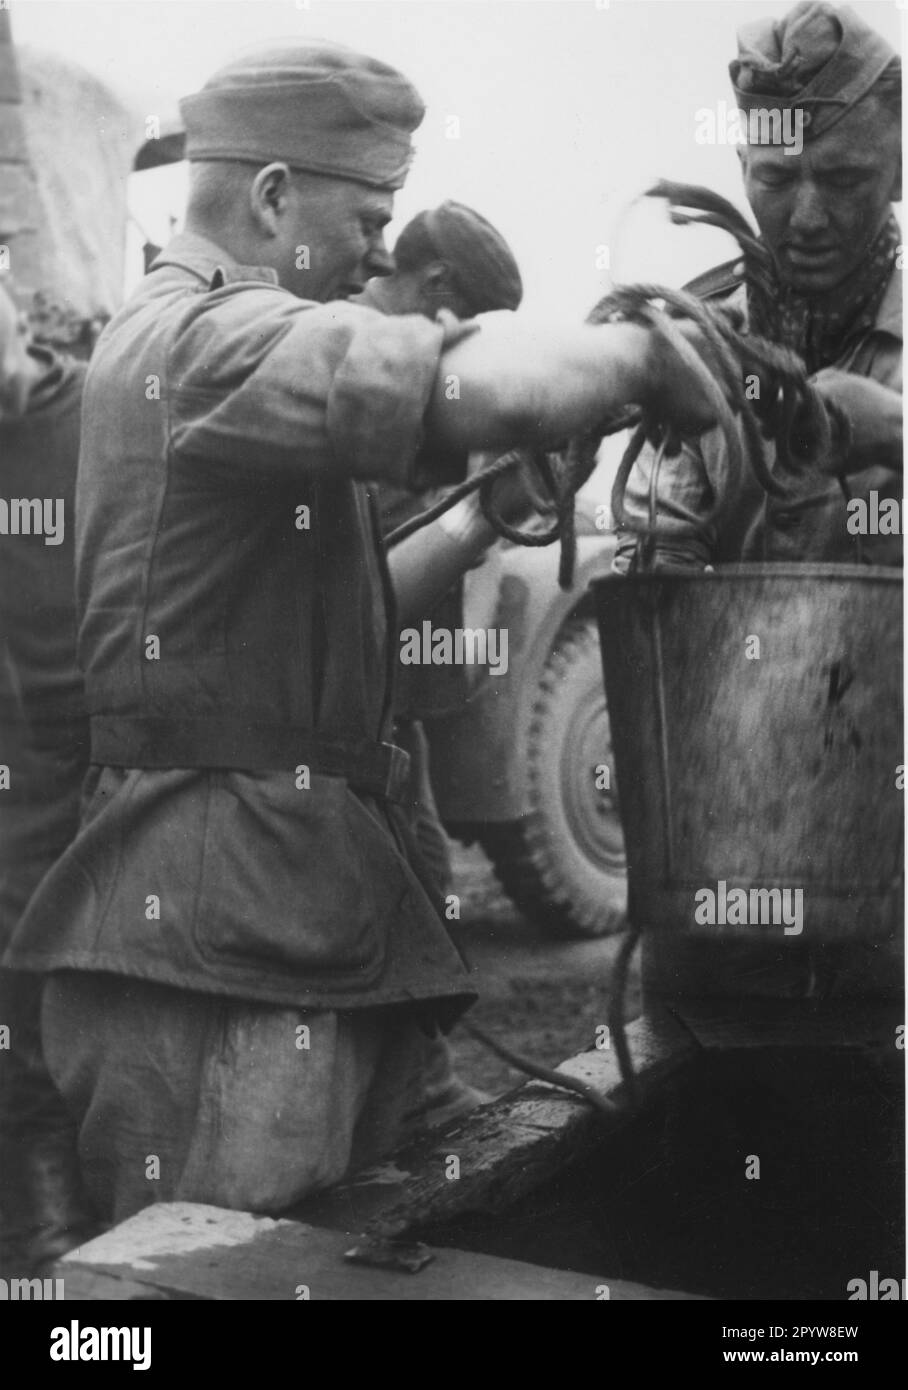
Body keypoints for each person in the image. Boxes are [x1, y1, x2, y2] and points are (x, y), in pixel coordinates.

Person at [3, 40, 723, 1225]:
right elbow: (460, 387)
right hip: (217, 955)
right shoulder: (196, 342)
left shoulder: (220, 349)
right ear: (274, 196)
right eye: (368, 215)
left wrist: (486, 518)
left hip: (286, 928)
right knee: (217, 1274)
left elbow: (340, 644)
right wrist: (641, 357)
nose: (383, 250)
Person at [616, 1, 901, 571]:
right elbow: (655, 590)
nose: (807, 219)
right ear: (744, 166)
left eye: (844, 178)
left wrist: (899, 433)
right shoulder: (696, 350)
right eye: (775, 177)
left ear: (901, 170)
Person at [359, 202, 524, 1126]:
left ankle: (417, 1085)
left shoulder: (395, 367)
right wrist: (479, 516)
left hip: (387, 714)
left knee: (421, 889)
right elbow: (366, 599)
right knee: (390, 898)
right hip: (334, 714)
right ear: (440, 289)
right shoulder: (368, 371)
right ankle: (403, 1099)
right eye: (468, 324)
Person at [0, 285, 98, 1274]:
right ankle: (38, 1192)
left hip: (122, 735)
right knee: (19, 964)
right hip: (17, 762)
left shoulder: (105, 404)